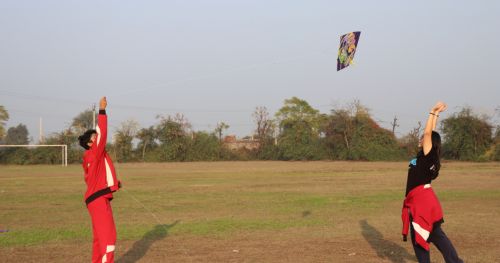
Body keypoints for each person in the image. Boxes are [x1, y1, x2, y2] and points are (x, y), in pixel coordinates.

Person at [401, 101, 463, 263]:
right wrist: (436, 114)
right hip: (426, 200)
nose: (422, 138)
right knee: (435, 233)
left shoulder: (427, 157)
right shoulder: (430, 157)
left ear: (429, 142)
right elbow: (432, 133)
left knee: (420, 235)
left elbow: (429, 134)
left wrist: (430, 112)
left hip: (421, 203)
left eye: (423, 138)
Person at [78, 96, 121, 263]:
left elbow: (96, 179)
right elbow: (102, 131)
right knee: (109, 240)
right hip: (98, 201)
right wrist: (102, 110)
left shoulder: (92, 157)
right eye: (95, 139)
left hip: (95, 199)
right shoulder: (94, 153)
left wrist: (114, 184)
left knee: (99, 241)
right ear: (89, 144)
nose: (99, 140)